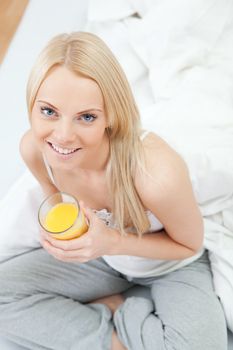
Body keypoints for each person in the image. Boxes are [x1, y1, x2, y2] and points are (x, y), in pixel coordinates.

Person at [0, 32, 227, 350]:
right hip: (103, 259)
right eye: (48, 111)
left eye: (86, 117)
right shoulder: (34, 150)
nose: (63, 136)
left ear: (110, 117)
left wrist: (112, 241)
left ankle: (122, 311)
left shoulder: (153, 174)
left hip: (167, 265)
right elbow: (58, 200)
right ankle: (114, 334)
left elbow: (189, 246)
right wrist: (72, 241)